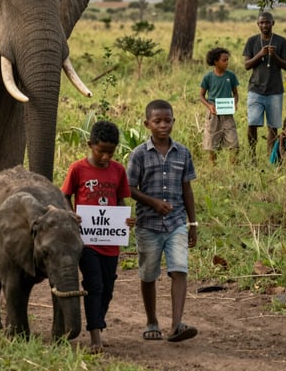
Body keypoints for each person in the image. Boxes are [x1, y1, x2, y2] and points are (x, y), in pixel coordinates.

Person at [127, 100, 198, 344]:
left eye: (168, 120)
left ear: (173, 121)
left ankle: (177, 325)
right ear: (147, 123)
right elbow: (129, 188)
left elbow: (187, 189)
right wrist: (153, 202)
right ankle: (151, 321)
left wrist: (193, 224)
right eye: (157, 121)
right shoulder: (138, 155)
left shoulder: (183, 153)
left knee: (179, 269)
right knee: (148, 274)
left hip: (176, 222)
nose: (163, 125)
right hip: (148, 225)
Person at [62, 120, 134, 353]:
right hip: (87, 241)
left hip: (111, 242)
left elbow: (120, 200)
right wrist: (71, 216)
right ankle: (95, 335)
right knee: (94, 284)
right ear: (90, 144)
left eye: (110, 152)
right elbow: (65, 196)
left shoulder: (118, 171)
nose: (105, 157)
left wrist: (125, 220)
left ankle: (97, 322)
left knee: (108, 287)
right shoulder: (77, 169)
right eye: (100, 151)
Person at [242, 11, 286, 160]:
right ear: (258, 24)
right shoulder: (252, 41)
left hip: (275, 90)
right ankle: (252, 156)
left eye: (267, 22)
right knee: (252, 123)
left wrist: (274, 56)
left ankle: (271, 157)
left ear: (273, 23)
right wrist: (260, 54)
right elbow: (247, 65)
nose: (264, 25)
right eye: (261, 22)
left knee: (273, 126)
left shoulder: (281, 41)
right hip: (255, 89)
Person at [199, 46, 239, 163]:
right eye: (224, 60)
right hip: (213, 112)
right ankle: (213, 165)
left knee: (233, 140)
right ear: (216, 62)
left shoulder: (230, 76)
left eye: (227, 60)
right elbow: (201, 96)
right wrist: (209, 106)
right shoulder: (208, 77)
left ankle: (233, 166)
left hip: (227, 113)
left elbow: (236, 94)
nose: (227, 62)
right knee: (212, 140)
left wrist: (235, 103)